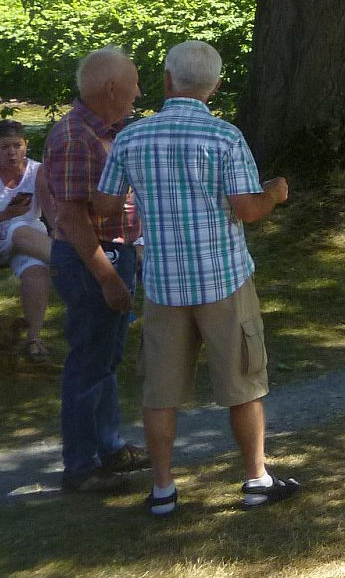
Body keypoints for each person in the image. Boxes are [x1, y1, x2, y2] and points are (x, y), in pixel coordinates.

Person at [94, 40, 298, 516]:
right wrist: (275, 193)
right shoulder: (226, 137)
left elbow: (104, 206)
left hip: (163, 282)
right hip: (223, 277)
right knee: (243, 381)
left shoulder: (131, 137)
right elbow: (246, 209)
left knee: (160, 391)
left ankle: (163, 490)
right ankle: (255, 479)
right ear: (216, 86)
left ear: (167, 81)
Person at [44, 47, 148, 493]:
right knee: (88, 361)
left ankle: (109, 447)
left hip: (113, 254)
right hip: (92, 259)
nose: (138, 92)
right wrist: (107, 277)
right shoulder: (74, 137)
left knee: (106, 356)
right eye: (134, 83)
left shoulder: (107, 131)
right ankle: (81, 466)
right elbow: (71, 219)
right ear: (111, 89)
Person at [0, 120, 52, 363]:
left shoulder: (38, 171)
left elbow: (52, 212)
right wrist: (5, 215)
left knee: (36, 271)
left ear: (25, 145)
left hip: (30, 237)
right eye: (4, 147)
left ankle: (33, 339)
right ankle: (73, 262)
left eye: (16, 145)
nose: (12, 153)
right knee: (18, 228)